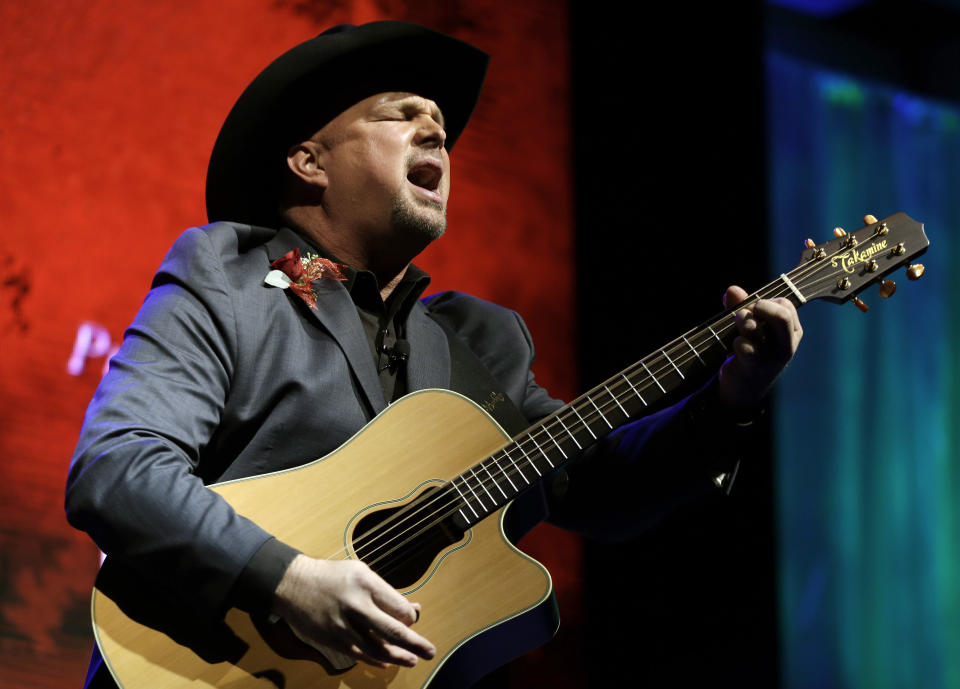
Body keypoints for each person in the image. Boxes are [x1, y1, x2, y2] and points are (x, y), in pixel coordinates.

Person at [65, 20, 802, 688]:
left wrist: (732, 395)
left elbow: (603, 487)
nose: (436, 133)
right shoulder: (228, 270)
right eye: (402, 112)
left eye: (442, 126)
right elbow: (118, 466)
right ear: (308, 161)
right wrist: (287, 579)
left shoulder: (480, 341)